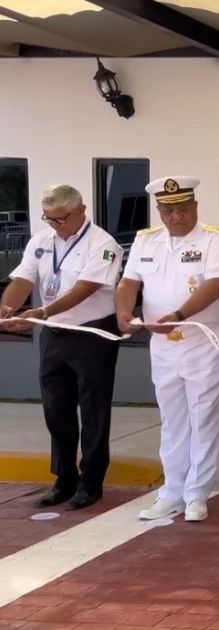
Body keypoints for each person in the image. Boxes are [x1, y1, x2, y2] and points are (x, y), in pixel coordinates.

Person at [116, 176, 219, 523]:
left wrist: (180, 314)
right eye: (168, 211)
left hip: (203, 342)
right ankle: (172, 491)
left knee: (203, 417)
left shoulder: (217, 239)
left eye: (183, 210)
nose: (176, 218)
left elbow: (216, 285)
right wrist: (123, 311)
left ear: (195, 207)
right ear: (159, 210)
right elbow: (129, 282)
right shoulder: (146, 241)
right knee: (172, 420)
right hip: (163, 345)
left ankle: (197, 493)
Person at [0, 185, 122, 510]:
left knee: (93, 410)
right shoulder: (41, 241)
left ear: (82, 210)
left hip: (92, 333)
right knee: (56, 410)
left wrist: (41, 311)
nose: (54, 225)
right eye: (49, 219)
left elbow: (86, 288)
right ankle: (64, 478)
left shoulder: (103, 244)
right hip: (53, 334)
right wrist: (7, 308)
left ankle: (91, 482)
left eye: (60, 219)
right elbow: (23, 280)